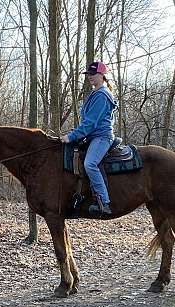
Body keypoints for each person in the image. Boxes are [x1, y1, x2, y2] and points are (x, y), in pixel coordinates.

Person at [61, 61, 118, 215]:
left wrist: (72, 136)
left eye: (93, 74)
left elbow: (91, 123)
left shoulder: (102, 95)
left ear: (102, 75)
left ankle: (103, 202)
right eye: (89, 75)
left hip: (102, 137)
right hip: (93, 136)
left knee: (90, 163)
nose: (90, 77)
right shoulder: (96, 93)